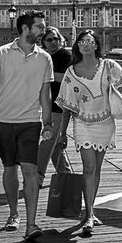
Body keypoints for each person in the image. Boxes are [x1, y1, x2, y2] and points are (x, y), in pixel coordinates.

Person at [55, 30, 122, 236]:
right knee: (89, 168)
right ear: (77, 46)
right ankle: (89, 214)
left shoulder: (109, 66)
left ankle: (90, 210)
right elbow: (67, 106)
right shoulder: (71, 72)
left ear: (96, 45)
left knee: (96, 169)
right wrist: (62, 132)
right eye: (82, 42)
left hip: (105, 123)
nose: (86, 45)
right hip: (82, 124)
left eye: (90, 42)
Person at [0, 11, 53, 241]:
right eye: (39, 27)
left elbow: (45, 94)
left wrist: (47, 122)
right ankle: (14, 213)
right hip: (3, 121)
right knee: (9, 168)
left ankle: (31, 224)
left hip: (30, 122)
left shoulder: (44, 58)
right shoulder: (1, 53)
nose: (43, 31)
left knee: (30, 171)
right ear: (25, 29)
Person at [35, 28, 73, 179]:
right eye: (49, 40)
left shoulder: (64, 55)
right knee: (55, 142)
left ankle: (37, 174)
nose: (53, 42)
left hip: (59, 104)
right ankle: (65, 174)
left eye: (56, 39)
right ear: (43, 42)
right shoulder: (42, 56)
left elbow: (64, 77)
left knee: (48, 139)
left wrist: (43, 75)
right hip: (44, 104)